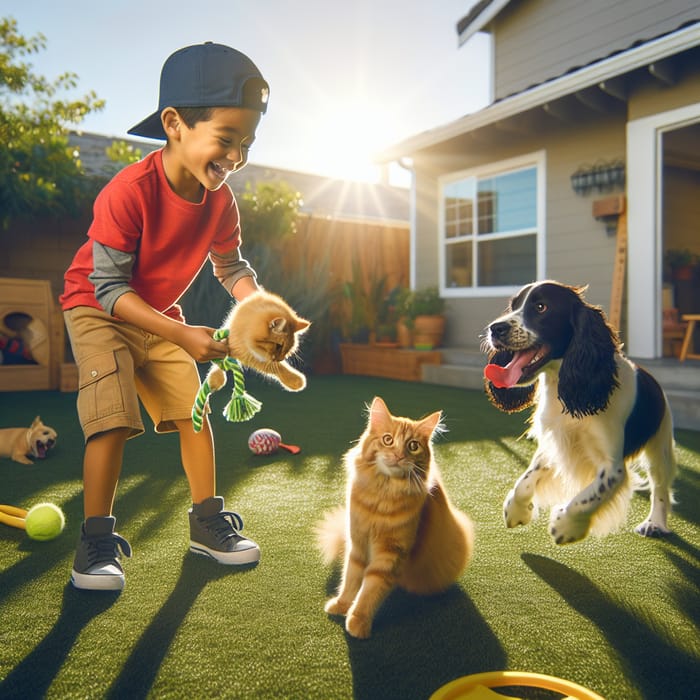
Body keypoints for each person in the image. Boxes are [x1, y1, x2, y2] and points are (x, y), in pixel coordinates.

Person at [59, 42, 270, 590]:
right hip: (99, 310)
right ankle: (95, 544)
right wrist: (180, 332)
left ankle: (206, 523)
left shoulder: (221, 202)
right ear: (174, 124)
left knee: (191, 413)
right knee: (112, 419)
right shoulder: (128, 191)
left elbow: (230, 265)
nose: (237, 158)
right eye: (226, 140)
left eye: (246, 144)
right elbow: (107, 288)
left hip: (157, 315)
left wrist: (259, 306)